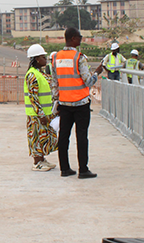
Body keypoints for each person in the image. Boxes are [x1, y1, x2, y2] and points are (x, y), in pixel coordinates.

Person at [51, 27, 100, 179]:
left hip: (64, 104)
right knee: (81, 136)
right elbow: (88, 81)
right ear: (73, 38)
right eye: (79, 37)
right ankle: (83, 170)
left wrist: (57, 101)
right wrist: (97, 72)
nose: (81, 39)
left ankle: (64, 169)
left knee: (64, 136)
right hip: (80, 104)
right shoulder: (79, 57)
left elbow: (55, 83)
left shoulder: (56, 57)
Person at [24, 44, 57, 172]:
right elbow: (33, 97)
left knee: (43, 138)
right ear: (37, 59)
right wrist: (41, 114)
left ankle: (42, 159)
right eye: (43, 57)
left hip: (44, 113)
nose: (45, 60)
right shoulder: (32, 75)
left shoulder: (39, 73)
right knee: (36, 137)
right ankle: (37, 162)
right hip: (36, 115)